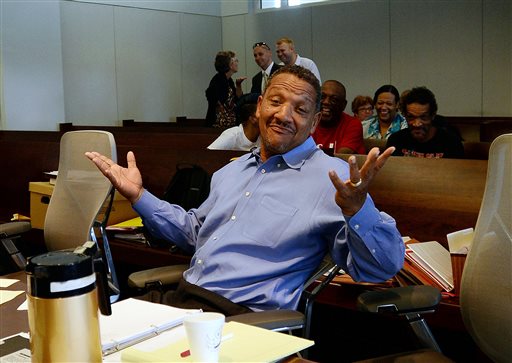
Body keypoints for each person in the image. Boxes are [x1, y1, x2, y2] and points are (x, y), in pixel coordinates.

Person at [86, 65, 404, 315]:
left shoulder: (331, 182)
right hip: (181, 299)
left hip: (241, 318)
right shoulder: (232, 170)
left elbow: (381, 268)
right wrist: (139, 197)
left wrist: (358, 210)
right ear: (260, 106)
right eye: (276, 102)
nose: (283, 115)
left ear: (314, 120)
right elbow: (195, 232)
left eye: (300, 109)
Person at [387, 86, 464, 158]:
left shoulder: (451, 143)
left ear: (433, 115)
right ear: (405, 116)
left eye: (423, 117)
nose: (417, 124)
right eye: (411, 117)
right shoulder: (396, 141)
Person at [312, 80, 365, 155]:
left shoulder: (352, 124)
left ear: (343, 105)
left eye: (334, 99)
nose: (326, 102)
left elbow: (341, 159)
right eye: (322, 97)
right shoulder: (309, 120)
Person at [205, 50, 246, 128]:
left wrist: (238, 85)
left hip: (228, 123)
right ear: (230, 65)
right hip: (218, 124)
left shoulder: (229, 80)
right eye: (235, 61)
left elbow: (238, 99)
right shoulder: (218, 79)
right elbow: (211, 95)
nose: (237, 62)